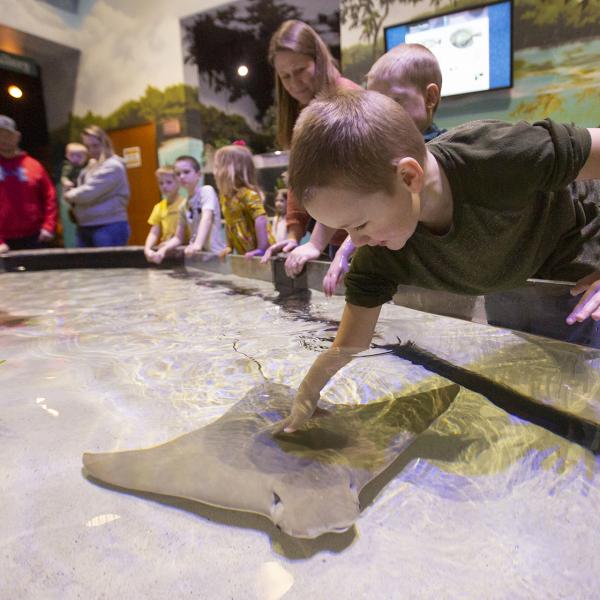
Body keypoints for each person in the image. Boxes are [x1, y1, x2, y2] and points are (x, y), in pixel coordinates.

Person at [279, 89, 600, 432]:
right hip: (517, 273)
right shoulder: (380, 255)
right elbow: (348, 345)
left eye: (359, 224)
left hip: (579, 267)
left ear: (408, 177)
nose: (356, 242)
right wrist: (305, 400)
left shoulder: (496, 154)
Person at [284, 43, 448, 295]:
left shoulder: (439, 154)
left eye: (394, 100)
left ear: (430, 98)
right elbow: (345, 197)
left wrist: (345, 249)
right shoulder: (375, 145)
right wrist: (317, 244)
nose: (381, 110)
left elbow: (376, 215)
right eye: (374, 99)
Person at [261, 20, 358, 268]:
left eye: (300, 70)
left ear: (319, 59)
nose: (294, 83)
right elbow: (300, 178)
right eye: (285, 76)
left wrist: (316, 243)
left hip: (364, 239)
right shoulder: (305, 109)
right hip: (334, 239)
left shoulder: (347, 101)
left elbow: (347, 184)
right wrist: (293, 235)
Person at [64, 125, 130, 247]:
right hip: (85, 225)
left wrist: (68, 194)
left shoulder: (113, 166)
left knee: (108, 265)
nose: (91, 150)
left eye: (95, 145)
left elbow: (87, 193)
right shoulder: (91, 165)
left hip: (108, 225)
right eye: (88, 147)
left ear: (105, 142)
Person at [0, 115, 57, 252]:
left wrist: (49, 226)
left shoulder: (34, 165)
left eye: (7, 134)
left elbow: (50, 196)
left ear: (17, 136)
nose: (3, 139)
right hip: (3, 243)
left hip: (35, 238)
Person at [153, 155, 225, 263]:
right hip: (199, 258)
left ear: (198, 174)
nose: (182, 176)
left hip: (216, 256)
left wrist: (197, 244)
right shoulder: (183, 206)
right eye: (178, 174)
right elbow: (178, 237)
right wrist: (163, 249)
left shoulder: (206, 191)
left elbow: (207, 218)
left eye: (186, 172)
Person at [213, 144, 274, 258]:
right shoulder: (224, 197)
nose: (214, 171)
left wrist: (261, 249)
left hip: (264, 253)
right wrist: (229, 246)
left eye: (217, 166)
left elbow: (261, 219)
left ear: (230, 170)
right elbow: (229, 223)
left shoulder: (248, 195)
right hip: (245, 254)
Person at [144, 166, 187, 264]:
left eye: (169, 182)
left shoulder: (185, 204)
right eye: (161, 183)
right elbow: (154, 232)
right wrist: (147, 249)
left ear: (178, 183)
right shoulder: (158, 207)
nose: (164, 186)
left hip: (182, 250)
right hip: (166, 251)